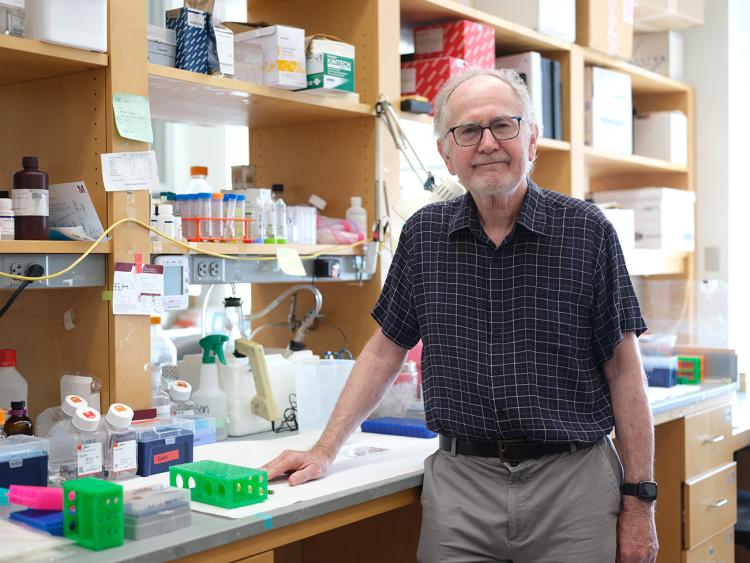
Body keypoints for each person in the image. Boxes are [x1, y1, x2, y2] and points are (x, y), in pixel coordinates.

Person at [261, 67, 659, 563]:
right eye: (468, 131)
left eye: (504, 126)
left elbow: (624, 370)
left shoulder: (586, 231)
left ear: (531, 140)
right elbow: (385, 350)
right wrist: (323, 450)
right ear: (448, 156)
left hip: (572, 484)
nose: (487, 142)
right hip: (461, 485)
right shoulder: (424, 235)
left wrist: (640, 501)